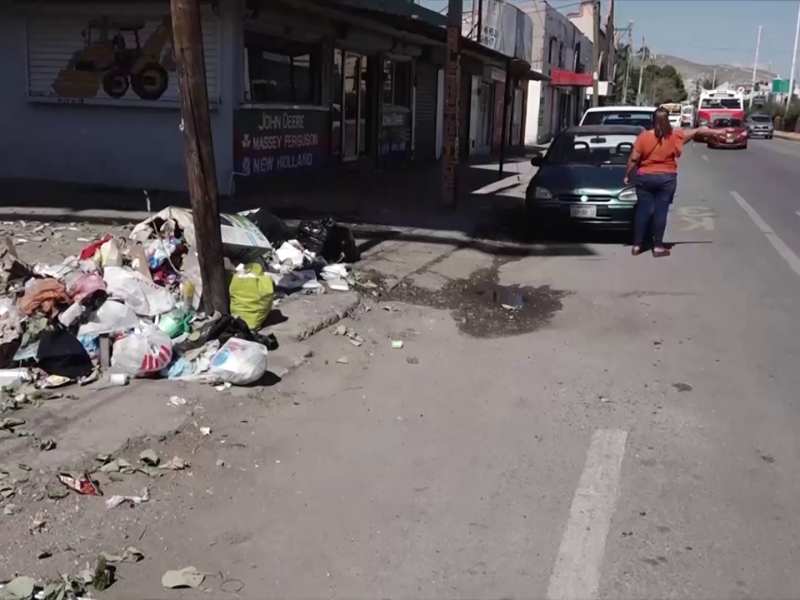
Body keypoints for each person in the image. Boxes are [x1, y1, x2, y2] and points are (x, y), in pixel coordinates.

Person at [623, 107, 714, 257]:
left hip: (645, 177)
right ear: (668, 120)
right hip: (667, 179)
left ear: (653, 120)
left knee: (643, 211)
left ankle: (637, 245)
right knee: (661, 211)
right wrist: (716, 132)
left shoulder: (644, 136)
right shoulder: (674, 136)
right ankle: (658, 246)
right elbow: (696, 132)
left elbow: (633, 159)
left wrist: (627, 175)